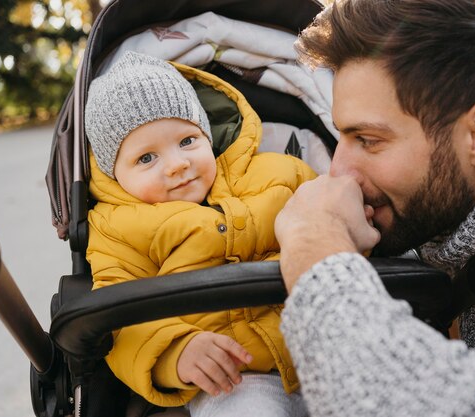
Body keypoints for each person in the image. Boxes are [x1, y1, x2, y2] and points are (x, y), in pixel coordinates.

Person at [274, 0, 475, 416]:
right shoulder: (448, 230)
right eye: (342, 138)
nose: (340, 173)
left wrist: (315, 248)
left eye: (369, 140)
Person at [84, 51, 315, 416]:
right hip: (235, 377)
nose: (177, 164)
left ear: (207, 133)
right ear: (115, 173)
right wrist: (175, 351)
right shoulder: (118, 228)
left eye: (188, 141)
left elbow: (329, 215)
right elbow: (118, 314)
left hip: (324, 339)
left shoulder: (281, 173)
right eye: (146, 158)